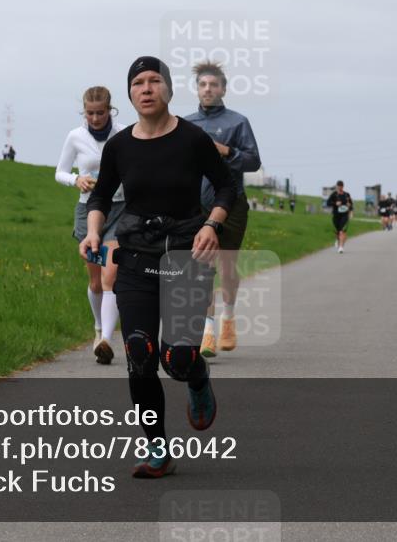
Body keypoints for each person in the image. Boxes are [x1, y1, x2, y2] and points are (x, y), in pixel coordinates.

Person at [83, 56, 235, 478]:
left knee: (178, 356)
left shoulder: (192, 139)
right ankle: (157, 451)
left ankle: (197, 377)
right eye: (138, 83)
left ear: (168, 89)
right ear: (129, 94)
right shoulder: (119, 147)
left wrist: (212, 225)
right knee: (139, 351)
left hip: (187, 253)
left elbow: (226, 186)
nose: (146, 89)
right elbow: (100, 197)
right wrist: (94, 232)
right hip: (135, 256)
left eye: (154, 81)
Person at [185, 61, 263, 358]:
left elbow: (253, 161)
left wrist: (225, 150)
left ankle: (228, 317)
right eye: (203, 85)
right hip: (197, 205)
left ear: (223, 89)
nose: (208, 89)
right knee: (203, 269)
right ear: (197, 88)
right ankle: (207, 332)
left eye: (213, 85)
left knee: (227, 268)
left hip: (232, 204)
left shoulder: (238, 122)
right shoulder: (186, 123)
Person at [55, 87, 126, 365]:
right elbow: (59, 171)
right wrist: (76, 180)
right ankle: (98, 329)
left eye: (101, 112)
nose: (95, 118)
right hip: (88, 210)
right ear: (84, 112)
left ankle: (107, 339)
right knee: (95, 281)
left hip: (120, 208)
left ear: (111, 110)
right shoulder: (76, 136)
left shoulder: (123, 134)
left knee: (111, 277)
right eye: (90, 113)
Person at [326, 180, 354, 253]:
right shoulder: (334, 194)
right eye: (338, 186)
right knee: (338, 232)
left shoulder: (346, 195)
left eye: (341, 186)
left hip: (345, 215)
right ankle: (338, 241)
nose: (339, 188)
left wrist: (351, 211)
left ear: (343, 186)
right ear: (336, 186)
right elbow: (328, 203)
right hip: (336, 215)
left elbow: (351, 204)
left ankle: (341, 247)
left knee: (342, 231)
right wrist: (335, 203)